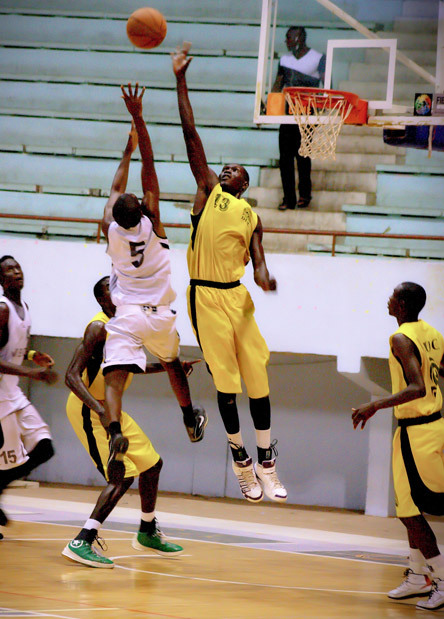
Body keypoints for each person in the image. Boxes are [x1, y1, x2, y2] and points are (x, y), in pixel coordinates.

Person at [172, 43, 287, 505]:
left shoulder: (251, 216)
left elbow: (259, 260)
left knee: (257, 376)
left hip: (238, 297)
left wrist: (263, 275)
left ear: (245, 184)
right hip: (205, 298)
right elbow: (191, 136)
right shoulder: (207, 193)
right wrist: (181, 80)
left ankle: (267, 461)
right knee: (226, 384)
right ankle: (240, 460)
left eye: (235, 169)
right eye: (224, 167)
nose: (227, 169)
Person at [100, 83, 207, 470]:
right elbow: (151, 164)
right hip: (160, 314)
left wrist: (123, 151)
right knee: (174, 363)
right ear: (144, 210)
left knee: (114, 376)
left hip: (126, 313)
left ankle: (114, 429)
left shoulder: (109, 228)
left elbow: (117, 186)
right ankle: (189, 416)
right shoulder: (153, 222)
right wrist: (139, 118)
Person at [63, 276, 199, 567]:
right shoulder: (98, 328)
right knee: (122, 474)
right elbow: (71, 376)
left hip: (112, 411)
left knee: (152, 464)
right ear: (104, 301)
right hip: (90, 409)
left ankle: (147, 531)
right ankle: (81, 541)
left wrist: (167, 368)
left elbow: (128, 367)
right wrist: (98, 410)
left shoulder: (127, 325)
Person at [352, 282, 444, 611]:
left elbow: (417, 387)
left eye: (392, 296)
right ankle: (419, 577)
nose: (388, 300)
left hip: (417, 431)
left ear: (402, 304)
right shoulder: (432, 333)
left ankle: (442, 578)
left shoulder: (401, 338)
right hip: (430, 426)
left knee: (410, 512)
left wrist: (373, 406)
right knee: (408, 509)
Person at [0, 256, 58, 541]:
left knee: (44, 449)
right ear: (1, 279)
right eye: (9, 270)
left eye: (18, 267)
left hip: (12, 393)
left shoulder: (23, 308)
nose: (16, 272)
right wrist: (32, 373)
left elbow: (9, 347)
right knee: (10, 465)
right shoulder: (1, 309)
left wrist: (31, 355)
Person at [271, 26, 325, 211]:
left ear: (299, 39)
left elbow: (326, 85)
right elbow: (278, 84)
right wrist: (268, 106)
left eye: (289, 38)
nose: (286, 41)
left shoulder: (318, 58)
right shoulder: (285, 60)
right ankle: (288, 198)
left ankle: (305, 194)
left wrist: (321, 108)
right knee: (285, 157)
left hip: (307, 111)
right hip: (288, 111)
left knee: (303, 155)